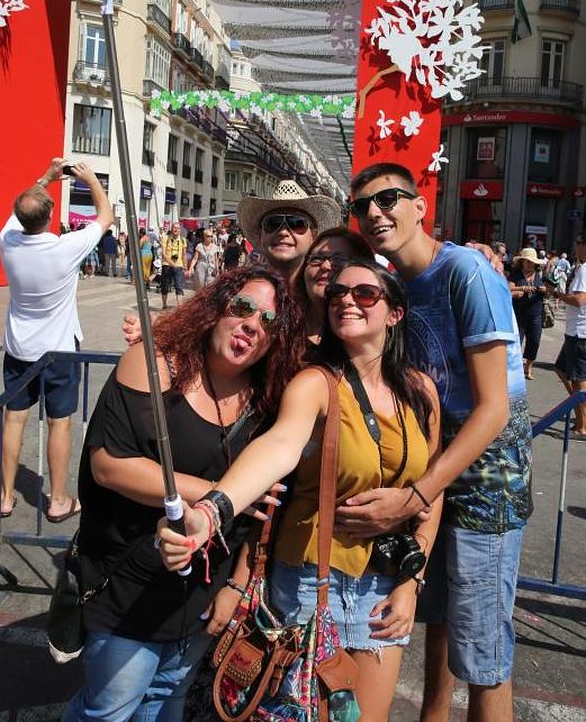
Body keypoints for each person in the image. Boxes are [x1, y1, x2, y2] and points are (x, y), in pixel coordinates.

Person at [159, 259, 442, 722]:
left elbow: (429, 494)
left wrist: (412, 583)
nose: (347, 300)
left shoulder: (420, 392)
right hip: (313, 581)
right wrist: (213, 510)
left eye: (365, 294)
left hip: (383, 587)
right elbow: (280, 445)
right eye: (338, 295)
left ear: (394, 313)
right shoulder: (315, 383)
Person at [63, 267, 303, 722]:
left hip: (205, 586)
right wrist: (223, 495)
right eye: (244, 308)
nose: (253, 325)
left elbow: (266, 508)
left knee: (165, 703)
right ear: (216, 309)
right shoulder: (156, 365)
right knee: (109, 709)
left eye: (270, 322)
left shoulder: (266, 398)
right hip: (131, 579)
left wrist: (236, 584)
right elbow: (109, 465)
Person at [344, 162, 532, 722]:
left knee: (483, 657)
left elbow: (495, 408)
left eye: (390, 199)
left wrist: (415, 495)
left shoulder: (466, 272)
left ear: (421, 204)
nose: (376, 213)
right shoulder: (393, 285)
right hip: (433, 480)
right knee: (440, 622)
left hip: (484, 490)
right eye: (364, 207)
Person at [0, 158, 112, 521]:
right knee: (59, 422)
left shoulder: (7, 241)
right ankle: (59, 498)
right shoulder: (64, 247)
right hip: (59, 350)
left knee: (14, 420)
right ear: (49, 217)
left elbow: (23, 208)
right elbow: (105, 217)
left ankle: (4, 496)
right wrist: (91, 180)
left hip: (19, 346)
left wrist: (46, 177)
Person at [238, 179, 341, 287]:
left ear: (314, 235)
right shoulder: (239, 291)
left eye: (296, 223)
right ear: (261, 234)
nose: (283, 232)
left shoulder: (327, 294)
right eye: (273, 223)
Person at [549, 234, 586, 438]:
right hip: (575, 332)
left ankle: (582, 426)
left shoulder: (585, 270)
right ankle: (580, 414)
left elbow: (580, 300)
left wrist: (559, 295)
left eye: (579, 243)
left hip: (579, 334)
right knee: (561, 369)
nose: (576, 246)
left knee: (578, 380)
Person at [508, 247, 546, 380]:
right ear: (522, 261)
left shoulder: (539, 274)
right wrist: (523, 288)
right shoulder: (516, 274)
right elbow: (508, 287)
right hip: (520, 314)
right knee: (517, 342)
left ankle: (528, 367)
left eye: (532, 262)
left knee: (534, 341)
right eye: (527, 261)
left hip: (536, 314)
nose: (530, 264)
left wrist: (544, 289)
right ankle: (515, 368)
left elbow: (550, 288)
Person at [160, 221, 187, 309]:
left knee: (179, 287)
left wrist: (186, 267)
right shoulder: (165, 238)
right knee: (165, 286)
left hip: (179, 266)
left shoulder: (183, 240)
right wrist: (171, 263)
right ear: (171, 229)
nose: (176, 230)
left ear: (180, 230)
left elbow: (184, 255)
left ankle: (180, 308)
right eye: (174, 228)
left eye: (178, 228)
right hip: (167, 265)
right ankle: (164, 305)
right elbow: (163, 254)